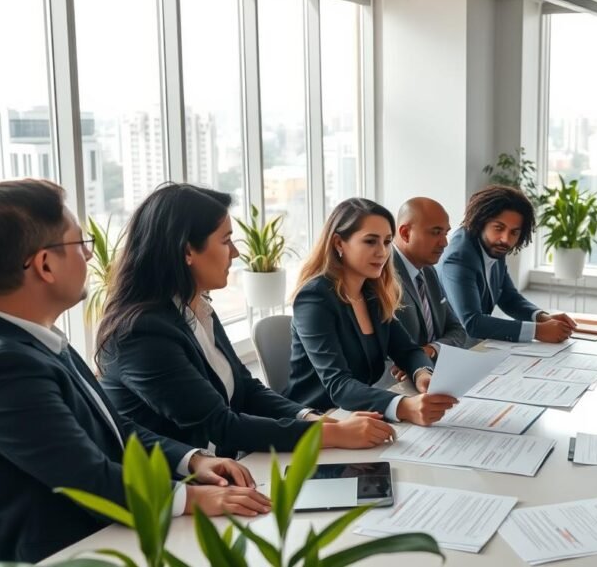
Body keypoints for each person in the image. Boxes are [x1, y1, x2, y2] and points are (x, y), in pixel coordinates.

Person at [0, 180, 267, 566]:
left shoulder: (24, 336)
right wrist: (191, 498)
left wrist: (191, 460)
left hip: (101, 534)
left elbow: (112, 427)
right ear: (45, 264)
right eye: (79, 244)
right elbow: (89, 479)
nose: (90, 257)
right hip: (71, 552)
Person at [97, 184, 395, 456]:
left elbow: (246, 389)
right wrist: (331, 433)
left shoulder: (197, 307)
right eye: (226, 241)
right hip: (180, 494)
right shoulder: (141, 333)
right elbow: (221, 425)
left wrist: (312, 418)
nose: (236, 252)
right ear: (187, 250)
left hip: (231, 470)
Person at [284, 198, 458, 426]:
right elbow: (339, 385)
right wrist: (404, 406)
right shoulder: (314, 298)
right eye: (370, 242)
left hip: (356, 414)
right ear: (339, 243)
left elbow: (408, 351)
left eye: (387, 242)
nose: (382, 252)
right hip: (316, 420)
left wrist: (423, 374)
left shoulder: (372, 293)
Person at [438, 185, 575, 343]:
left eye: (514, 232)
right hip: (450, 350)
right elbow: (472, 322)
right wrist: (537, 331)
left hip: (476, 345)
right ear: (481, 222)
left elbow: (509, 298)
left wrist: (542, 317)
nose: (506, 239)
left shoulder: (493, 245)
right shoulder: (459, 257)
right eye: (499, 228)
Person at [387, 197, 468, 382]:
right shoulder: (383, 276)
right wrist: (418, 359)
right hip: (398, 383)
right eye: (436, 232)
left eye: (446, 233)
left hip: (434, 373)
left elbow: (457, 330)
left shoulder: (428, 271)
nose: (444, 243)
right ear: (405, 233)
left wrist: (431, 350)